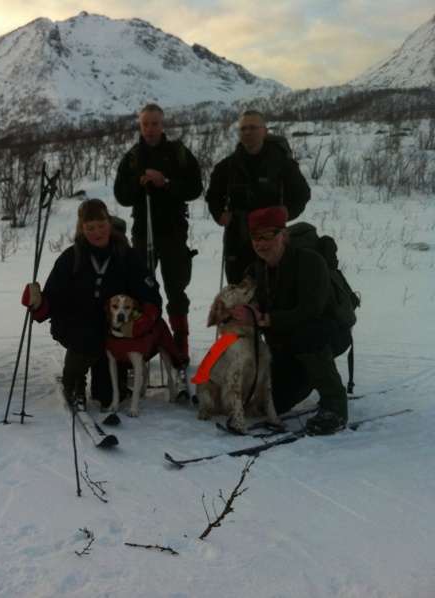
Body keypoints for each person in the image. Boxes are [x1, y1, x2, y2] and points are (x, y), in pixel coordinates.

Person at [22, 198, 163, 411]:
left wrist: (143, 321)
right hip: (76, 326)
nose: (98, 232)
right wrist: (38, 302)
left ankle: (109, 377)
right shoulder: (71, 257)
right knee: (88, 338)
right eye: (90, 228)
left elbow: (150, 295)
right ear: (82, 228)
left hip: (115, 331)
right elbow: (54, 299)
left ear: (110, 222)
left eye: (102, 225)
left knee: (107, 396)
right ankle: (73, 383)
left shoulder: (126, 255)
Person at [230, 207, 352, 435]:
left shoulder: (310, 263)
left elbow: (310, 313)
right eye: (256, 236)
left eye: (268, 235)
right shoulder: (254, 271)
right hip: (285, 344)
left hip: (327, 334)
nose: (261, 243)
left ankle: (335, 408)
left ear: (283, 236)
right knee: (269, 404)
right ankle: (309, 375)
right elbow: (236, 310)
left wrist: (262, 318)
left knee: (307, 335)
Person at [113, 103, 203, 369]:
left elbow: (195, 187)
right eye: (145, 124)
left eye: (154, 124)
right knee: (142, 289)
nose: (149, 129)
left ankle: (180, 343)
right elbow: (121, 195)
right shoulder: (133, 156)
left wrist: (168, 184)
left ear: (163, 125)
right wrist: (140, 181)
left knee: (176, 290)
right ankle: (140, 340)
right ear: (140, 127)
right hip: (143, 232)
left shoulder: (178, 153)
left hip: (173, 232)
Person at [206, 109, 311, 284]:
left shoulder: (282, 163)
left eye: (252, 128)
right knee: (238, 290)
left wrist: (288, 212)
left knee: (272, 286)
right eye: (243, 129)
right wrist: (219, 214)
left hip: (271, 235)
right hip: (237, 237)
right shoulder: (227, 166)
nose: (247, 132)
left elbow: (302, 193)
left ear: (264, 131)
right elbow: (213, 195)